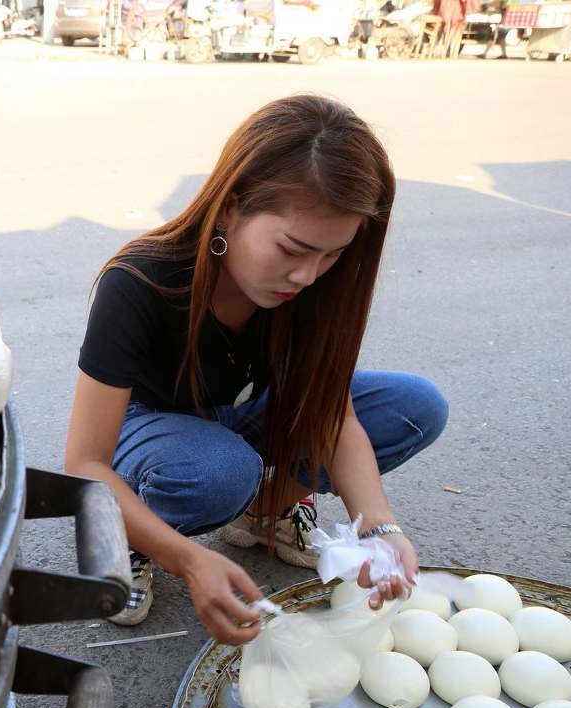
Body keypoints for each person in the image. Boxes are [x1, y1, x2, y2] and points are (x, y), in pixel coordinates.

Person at [65, 95, 448, 643]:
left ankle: (266, 514)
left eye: (331, 255)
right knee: (220, 470)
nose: (308, 275)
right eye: (292, 248)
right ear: (229, 206)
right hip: (150, 427)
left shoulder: (315, 289)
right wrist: (189, 560)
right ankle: (138, 532)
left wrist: (382, 529)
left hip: (240, 411)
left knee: (415, 408)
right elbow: (84, 463)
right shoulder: (141, 281)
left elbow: (330, 412)